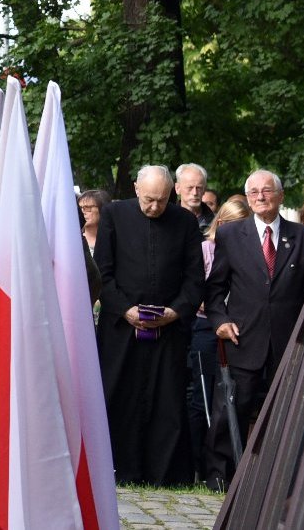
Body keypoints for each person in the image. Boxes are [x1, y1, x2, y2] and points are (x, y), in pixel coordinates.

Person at [205, 169, 304, 484]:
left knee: (286, 416)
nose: (260, 196)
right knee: (229, 412)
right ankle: (220, 477)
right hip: (242, 339)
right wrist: (220, 321)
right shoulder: (231, 234)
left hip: (288, 345)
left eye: (267, 190)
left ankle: (278, 481)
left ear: (280, 196)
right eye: (253, 191)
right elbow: (215, 289)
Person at [93, 164, 206, 486]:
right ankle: (118, 468)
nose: (154, 206)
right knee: (119, 395)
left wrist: (175, 311)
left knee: (167, 399)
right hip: (121, 326)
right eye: (148, 200)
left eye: (161, 200)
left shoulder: (184, 221)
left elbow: (195, 277)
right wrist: (125, 309)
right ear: (135, 189)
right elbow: (103, 272)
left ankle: (164, 474)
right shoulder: (114, 214)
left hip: (168, 328)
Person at [188, 194, 251, 485]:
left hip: (235, 333)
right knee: (202, 400)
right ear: (222, 223)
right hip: (205, 329)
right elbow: (198, 291)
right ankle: (197, 465)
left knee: (226, 399)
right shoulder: (205, 249)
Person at [176, 162, 216, 234]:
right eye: (190, 188)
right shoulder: (167, 219)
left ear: (204, 189)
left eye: (199, 188)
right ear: (177, 188)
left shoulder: (216, 222)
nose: (195, 193)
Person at [79, 189, 111, 257]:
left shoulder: (114, 238)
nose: (83, 212)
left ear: (103, 209)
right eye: (80, 208)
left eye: (87, 208)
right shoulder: (73, 239)